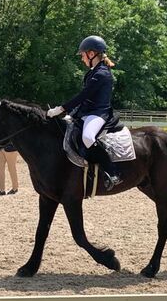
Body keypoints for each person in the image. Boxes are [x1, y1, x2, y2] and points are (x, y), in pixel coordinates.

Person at [46, 35, 122, 191]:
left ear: (92, 53)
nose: (82, 58)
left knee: (88, 137)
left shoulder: (102, 73)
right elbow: (85, 101)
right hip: (87, 112)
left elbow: (83, 96)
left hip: (99, 114)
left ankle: (113, 173)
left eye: (82, 54)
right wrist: (71, 114)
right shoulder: (92, 72)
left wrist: (61, 109)